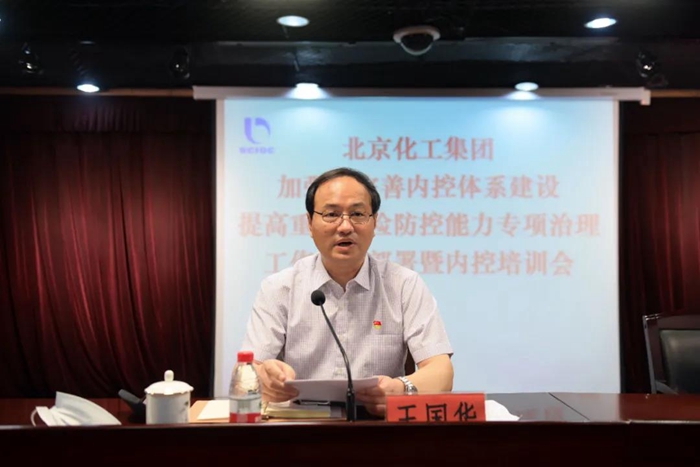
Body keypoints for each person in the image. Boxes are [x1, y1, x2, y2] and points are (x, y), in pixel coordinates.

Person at [240, 167, 453, 416]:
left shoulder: (404, 285)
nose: (345, 226)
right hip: (301, 425)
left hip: (379, 427)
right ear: (310, 223)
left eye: (358, 214)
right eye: (331, 214)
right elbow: (247, 374)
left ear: (374, 222)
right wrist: (265, 380)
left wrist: (401, 388)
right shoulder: (279, 288)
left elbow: (442, 372)